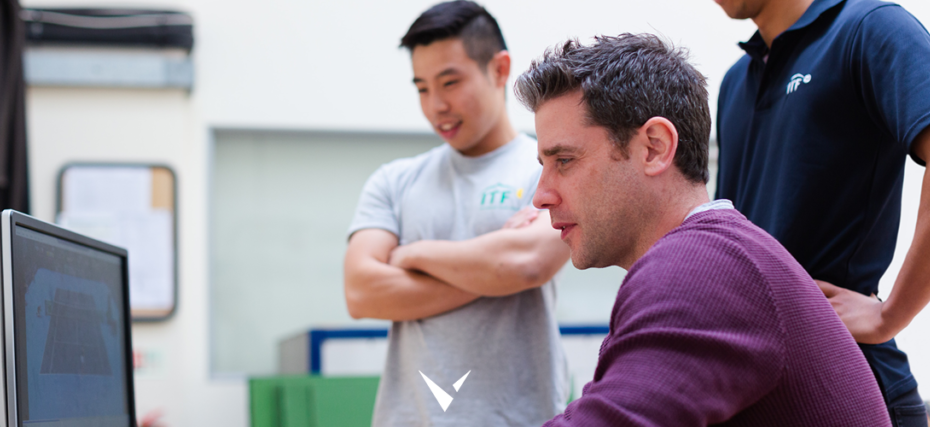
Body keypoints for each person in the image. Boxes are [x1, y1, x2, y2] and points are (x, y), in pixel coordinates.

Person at [514, 33, 890, 426]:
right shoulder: (716, 254)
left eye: (565, 160)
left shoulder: (701, 267)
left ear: (655, 148)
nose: (541, 196)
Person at [713, 0, 930, 424]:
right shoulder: (735, 82)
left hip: (850, 386)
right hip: (758, 394)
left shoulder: (869, 28)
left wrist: (891, 314)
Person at [343, 1, 570, 425]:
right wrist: (489, 267)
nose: (436, 106)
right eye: (422, 88)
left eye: (450, 82)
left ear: (500, 69)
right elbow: (360, 291)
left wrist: (412, 255)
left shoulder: (549, 167)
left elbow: (527, 263)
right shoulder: (394, 181)